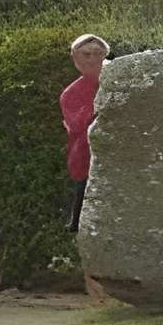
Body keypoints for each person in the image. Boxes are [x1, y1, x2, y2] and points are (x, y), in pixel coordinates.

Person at [59, 35, 106, 232]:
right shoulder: (70, 94)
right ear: (75, 58)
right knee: (83, 193)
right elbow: (76, 125)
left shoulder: (116, 79)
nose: (93, 59)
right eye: (86, 54)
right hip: (84, 155)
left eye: (98, 54)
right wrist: (98, 105)